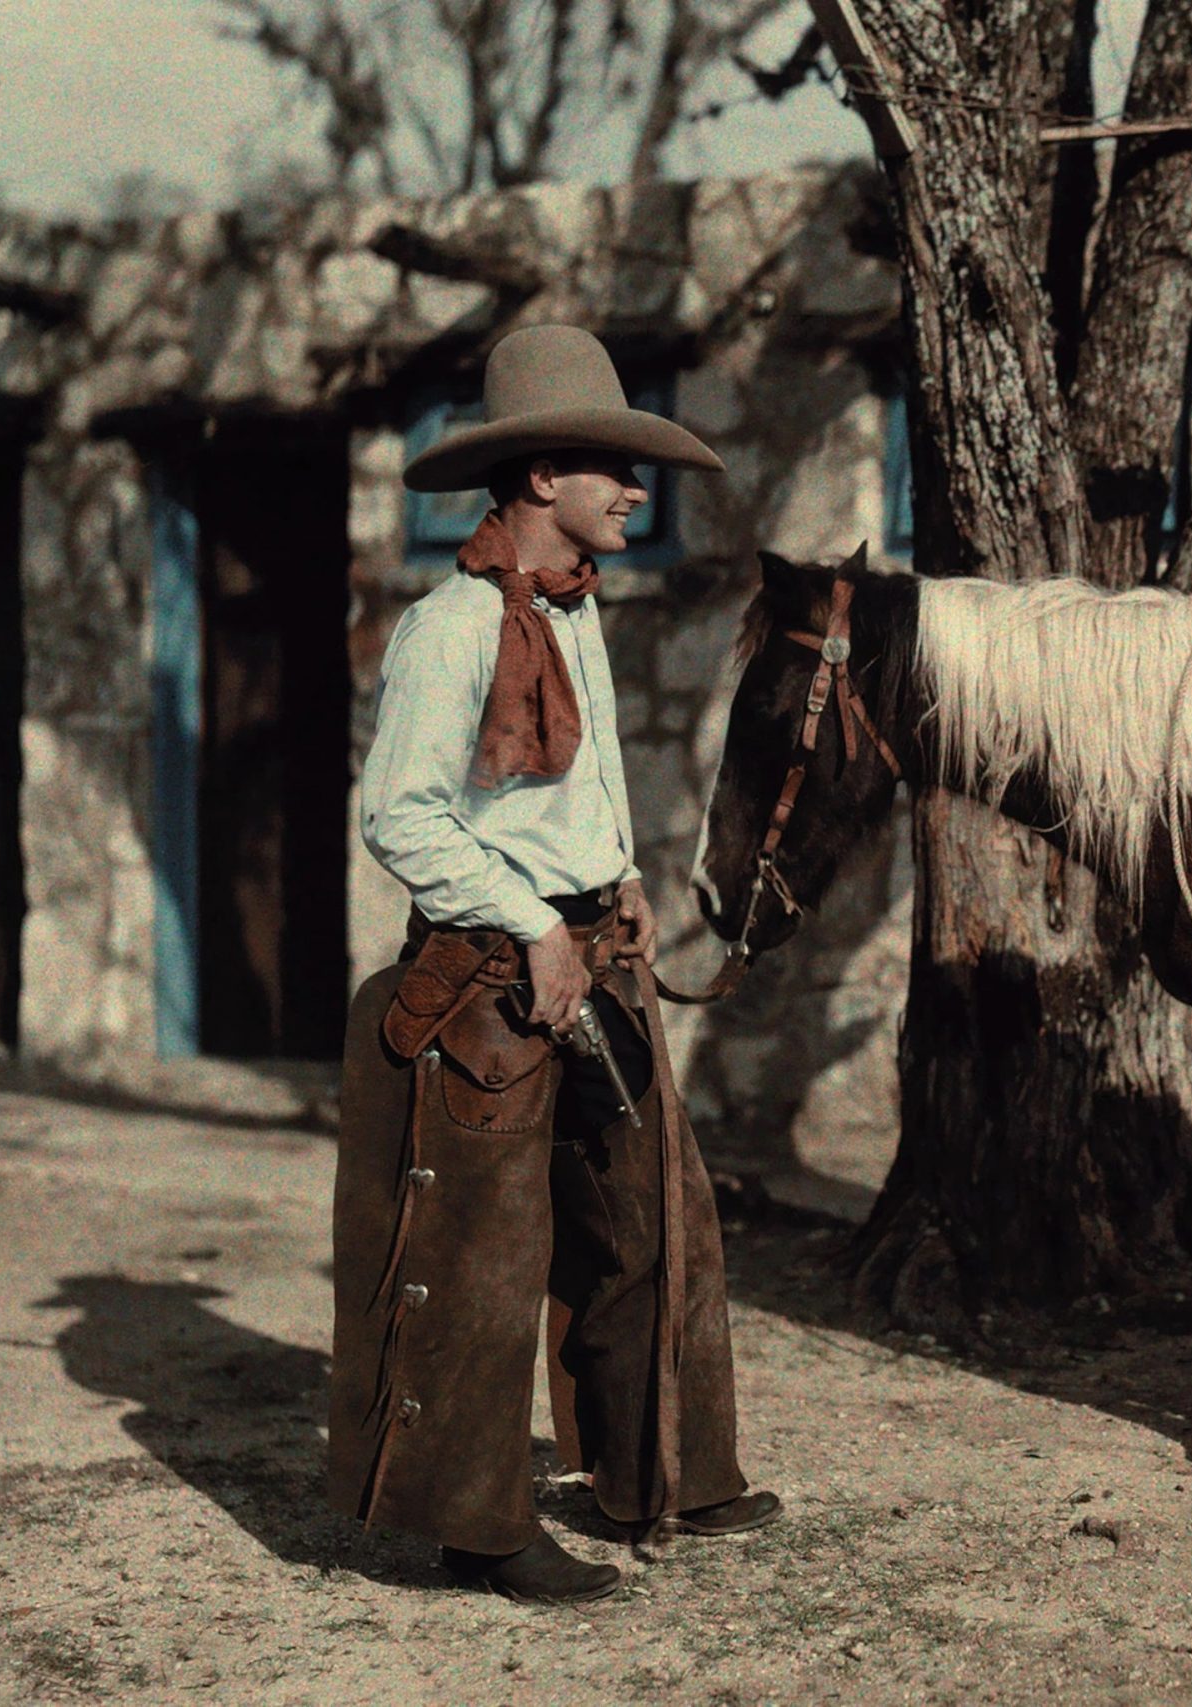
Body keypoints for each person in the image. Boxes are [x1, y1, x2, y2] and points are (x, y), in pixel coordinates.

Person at [329, 324, 777, 1605]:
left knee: (653, 1214)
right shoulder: (452, 628)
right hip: (487, 973)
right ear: (537, 480)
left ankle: (667, 1472)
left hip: (592, 950)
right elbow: (401, 817)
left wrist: (622, 876)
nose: (639, 490)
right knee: (485, 1245)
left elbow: (589, 783)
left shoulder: (575, 614)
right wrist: (530, 921)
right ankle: (478, 1529)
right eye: (612, 467)